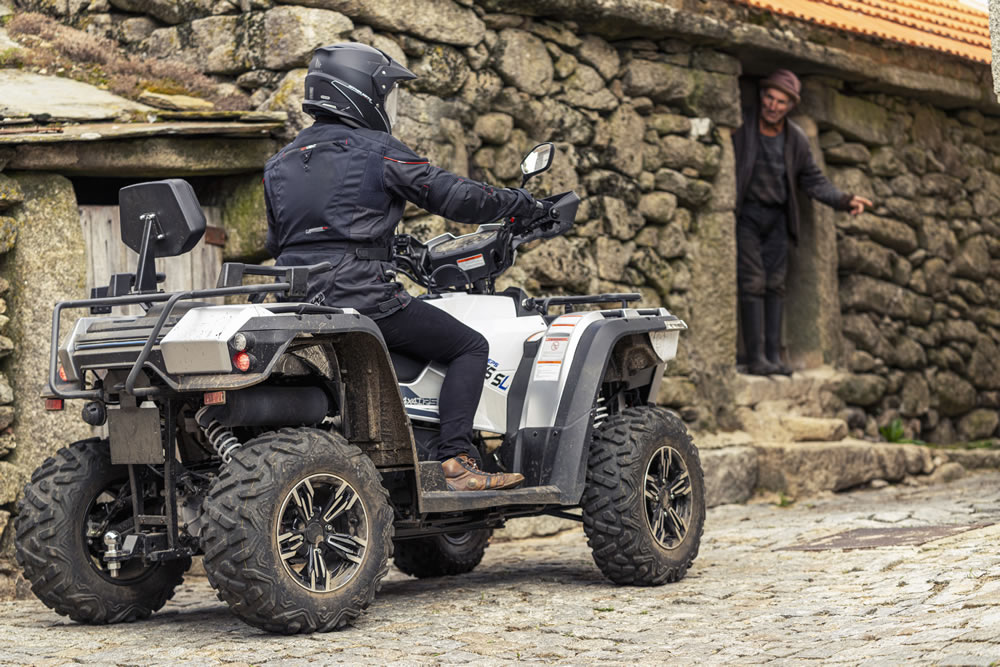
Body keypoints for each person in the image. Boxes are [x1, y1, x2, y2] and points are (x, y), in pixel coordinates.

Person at [263, 43, 545, 491]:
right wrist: (519, 203)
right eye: (386, 92)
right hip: (362, 297)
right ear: (361, 92)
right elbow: (454, 196)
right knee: (470, 346)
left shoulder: (279, 163)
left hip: (294, 299)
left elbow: (278, 242)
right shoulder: (377, 150)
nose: (388, 103)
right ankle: (456, 460)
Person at [732, 69, 872, 376]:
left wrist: (845, 199)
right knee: (752, 282)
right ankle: (755, 358)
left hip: (778, 218)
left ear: (791, 105)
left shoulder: (795, 138)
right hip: (748, 216)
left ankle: (773, 357)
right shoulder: (742, 125)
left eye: (781, 102)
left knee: (775, 285)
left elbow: (814, 180)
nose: (773, 106)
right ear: (762, 96)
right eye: (769, 97)